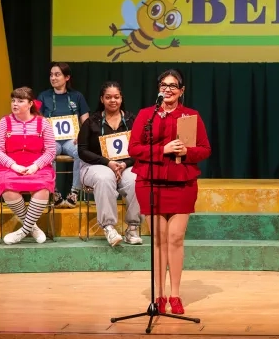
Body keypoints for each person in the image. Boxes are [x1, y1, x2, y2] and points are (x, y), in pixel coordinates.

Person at [129, 69, 211, 315]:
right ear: (158, 88)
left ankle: (174, 295)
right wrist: (162, 150)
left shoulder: (191, 115)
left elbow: (205, 149)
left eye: (173, 85)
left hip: (181, 182)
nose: (168, 89)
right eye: (164, 85)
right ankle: (158, 294)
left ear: (181, 90)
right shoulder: (146, 115)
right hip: (150, 182)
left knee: (175, 239)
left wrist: (187, 152)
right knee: (158, 241)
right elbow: (134, 148)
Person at [78, 81, 143, 246]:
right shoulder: (90, 122)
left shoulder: (133, 120)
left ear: (121, 99)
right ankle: (109, 227)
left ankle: (132, 228)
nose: (112, 100)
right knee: (105, 177)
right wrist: (107, 162)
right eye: (108, 97)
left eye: (116, 97)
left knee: (137, 178)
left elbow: (142, 149)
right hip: (95, 167)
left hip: (126, 165)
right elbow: (82, 151)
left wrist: (125, 163)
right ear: (102, 99)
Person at [0, 87, 57, 245]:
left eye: (20, 101)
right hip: (9, 166)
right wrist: (14, 166)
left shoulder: (43, 123)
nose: (15, 104)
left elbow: (51, 151)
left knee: (43, 187)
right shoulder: (4, 123)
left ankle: (22, 232)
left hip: (37, 167)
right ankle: (32, 228)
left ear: (30, 104)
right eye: (13, 100)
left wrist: (36, 166)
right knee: (7, 186)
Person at [37, 62, 90, 208]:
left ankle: (74, 192)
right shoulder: (43, 96)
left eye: (57, 74)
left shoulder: (77, 96)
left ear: (67, 77)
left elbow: (86, 121)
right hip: (51, 140)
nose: (53, 78)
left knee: (82, 151)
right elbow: (37, 119)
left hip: (71, 141)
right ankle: (54, 192)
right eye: (51, 75)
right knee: (48, 153)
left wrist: (82, 135)